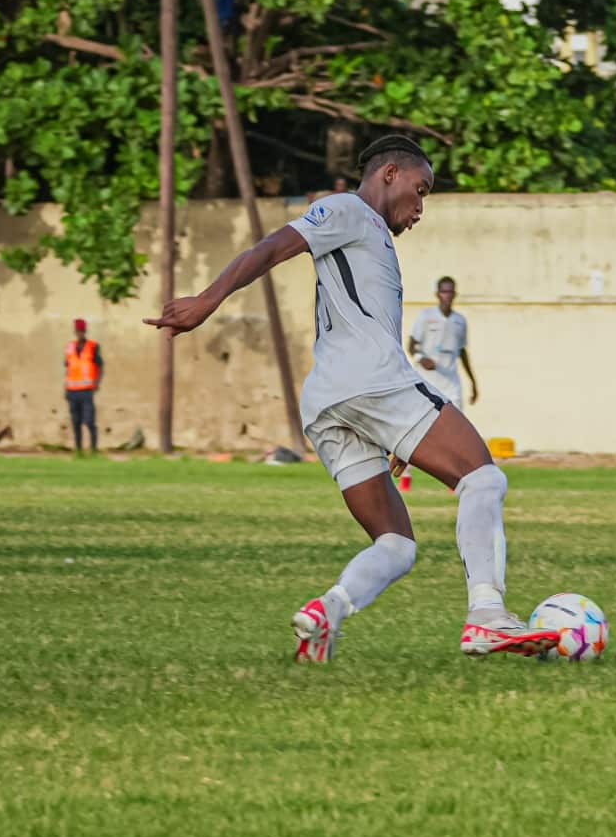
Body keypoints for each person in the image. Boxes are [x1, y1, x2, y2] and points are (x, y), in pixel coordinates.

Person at [146, 135, 558, 664]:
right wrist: (208, 299)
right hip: (370, 382)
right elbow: (270, 247)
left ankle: (327, 613)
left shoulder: (371, 237)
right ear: (390, 173)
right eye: (420, 189)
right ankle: (488, 616)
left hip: (330, 401)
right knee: (483, 477)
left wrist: (394, 430)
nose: (420, 209)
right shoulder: (347, 210)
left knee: (397, 543)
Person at [409, 276, 479, 410]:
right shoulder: (426, 316)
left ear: (455, 295)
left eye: (450, 292)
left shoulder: (460, 321)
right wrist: (421, 358)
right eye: (444, 292)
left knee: (456, 423)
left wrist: (473, 382)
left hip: (451, 384)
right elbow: (411, 345)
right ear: (438, 294)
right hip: (427, 380)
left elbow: (462, 352)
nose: (447, 296)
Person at [64, 318, 103, 454]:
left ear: (85, 331)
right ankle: (79, 450)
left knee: (89, 421)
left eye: (81, 330)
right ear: (75, 331)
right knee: (76, 422)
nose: (79, 333)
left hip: (86, 391)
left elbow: (100, 365)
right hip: (72, 391)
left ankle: (93, 449)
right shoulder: (69, 347)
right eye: (77, 330)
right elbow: (68, 368)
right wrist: (66, 388)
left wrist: (97, 383)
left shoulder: (93, 346)